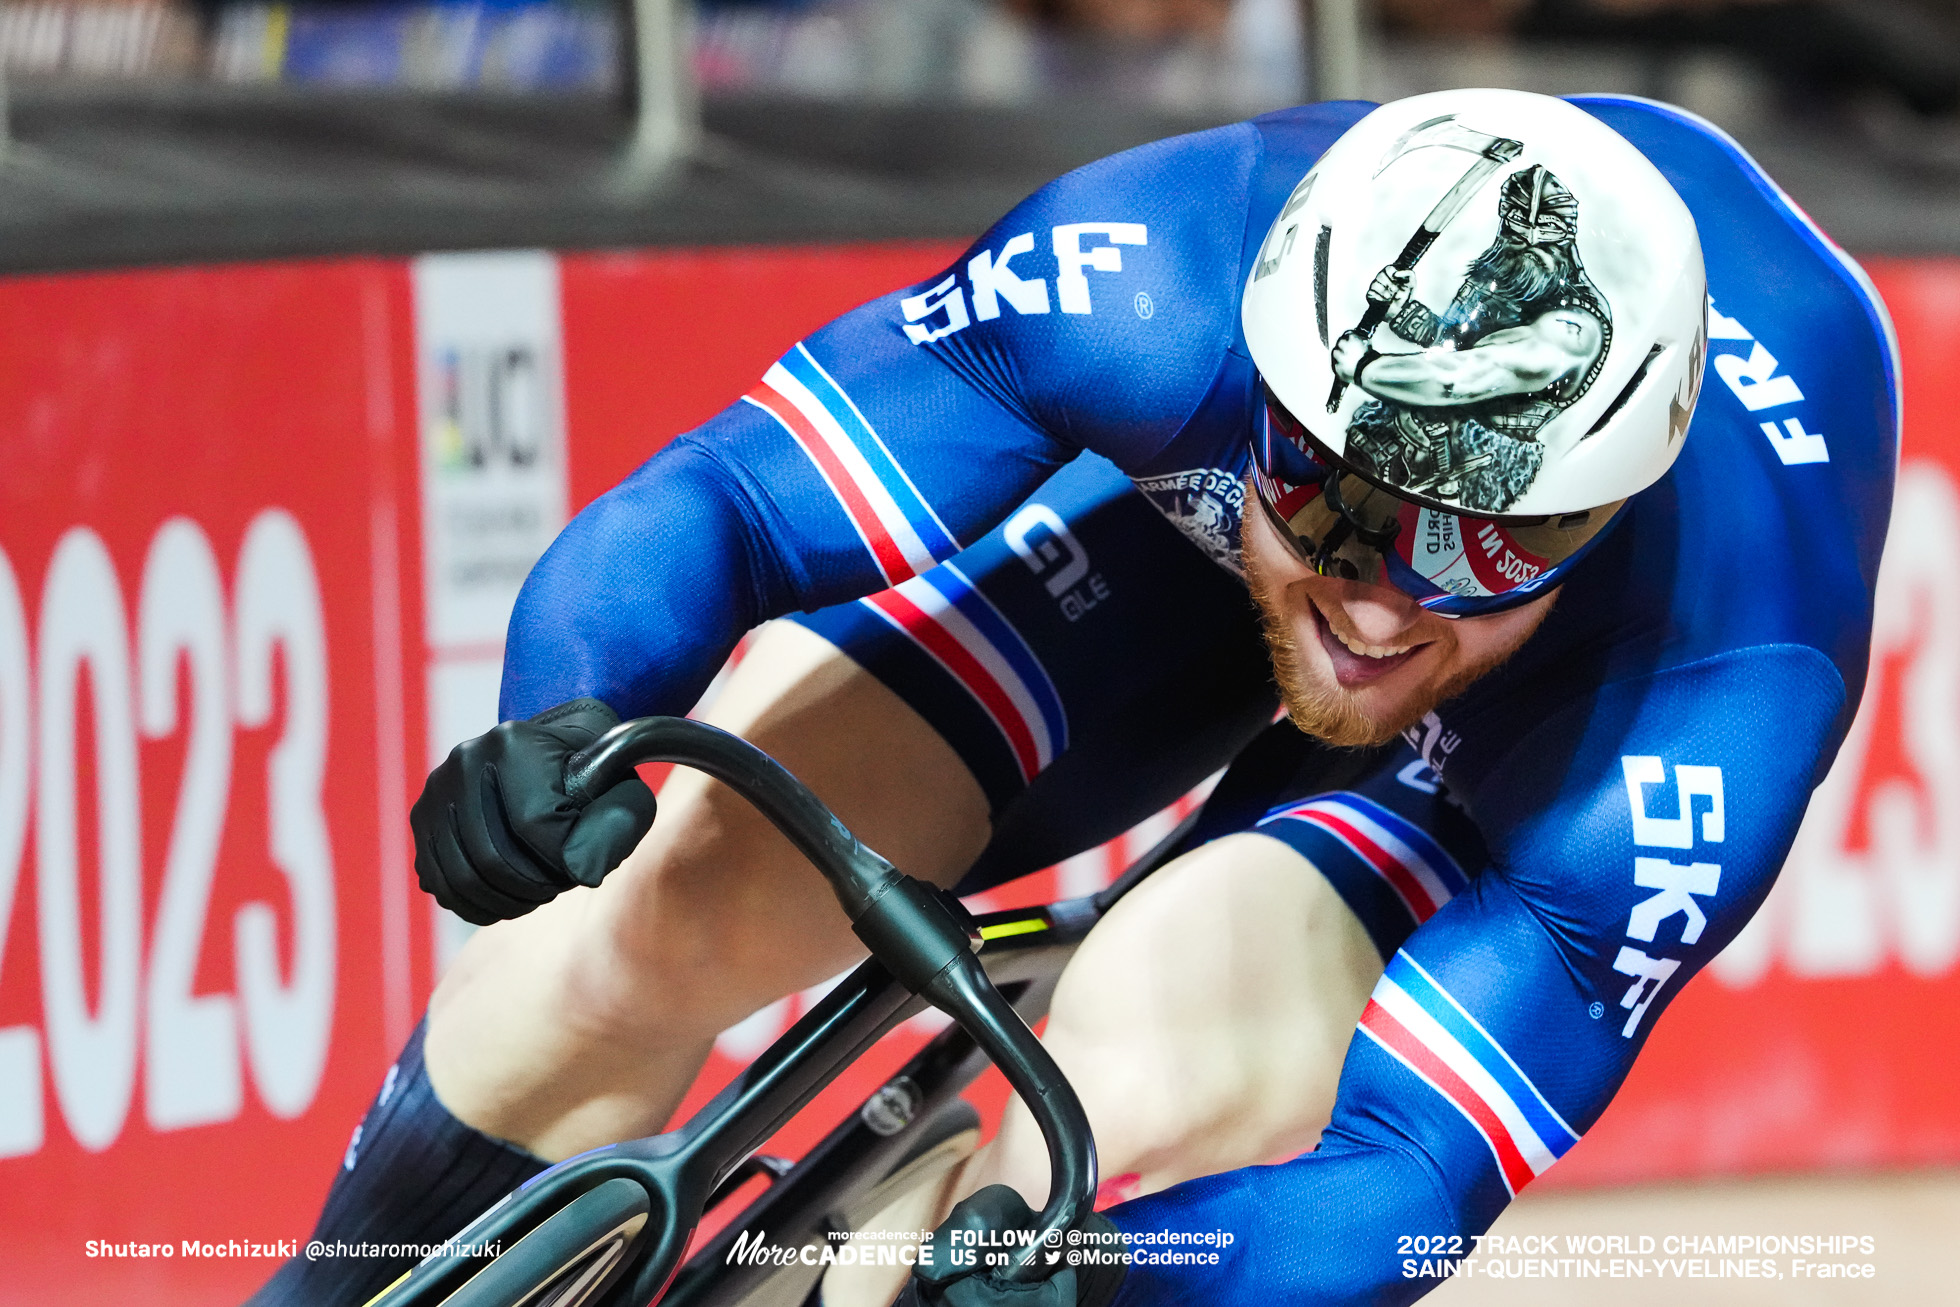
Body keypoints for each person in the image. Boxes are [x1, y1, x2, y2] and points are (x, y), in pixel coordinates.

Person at [247, 86, 1897, 1306]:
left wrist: (1118, 1281)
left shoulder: (1724, 693)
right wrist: (571, 707)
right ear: (1265, 369)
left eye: (1485, 546)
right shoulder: (1159, 280)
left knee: (1112, 1112)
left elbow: (1402, 1179)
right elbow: (738, 505)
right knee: (674, 909)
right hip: (1188, 526)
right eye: (1338, 497)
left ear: (1609, 509)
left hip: (1548, 706)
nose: (1384, 599)